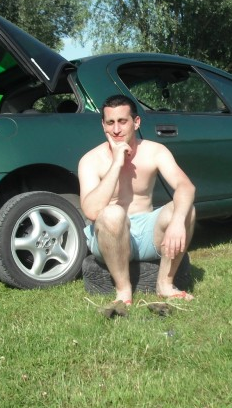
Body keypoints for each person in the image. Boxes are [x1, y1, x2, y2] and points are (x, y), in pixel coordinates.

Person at [78, 94, 196, 305]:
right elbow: (91, 211)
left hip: (147, 234)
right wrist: (116, 163)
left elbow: (185, 186)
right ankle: (123, 291)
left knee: (186, 209)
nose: (116, 129)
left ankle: (165, 284)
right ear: (103, 125)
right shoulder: (90, 160)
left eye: (122, 121)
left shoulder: (154, 151)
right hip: (109, 235)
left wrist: (178, 222)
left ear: (136, 122)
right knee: (113, 213)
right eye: (110, 123)